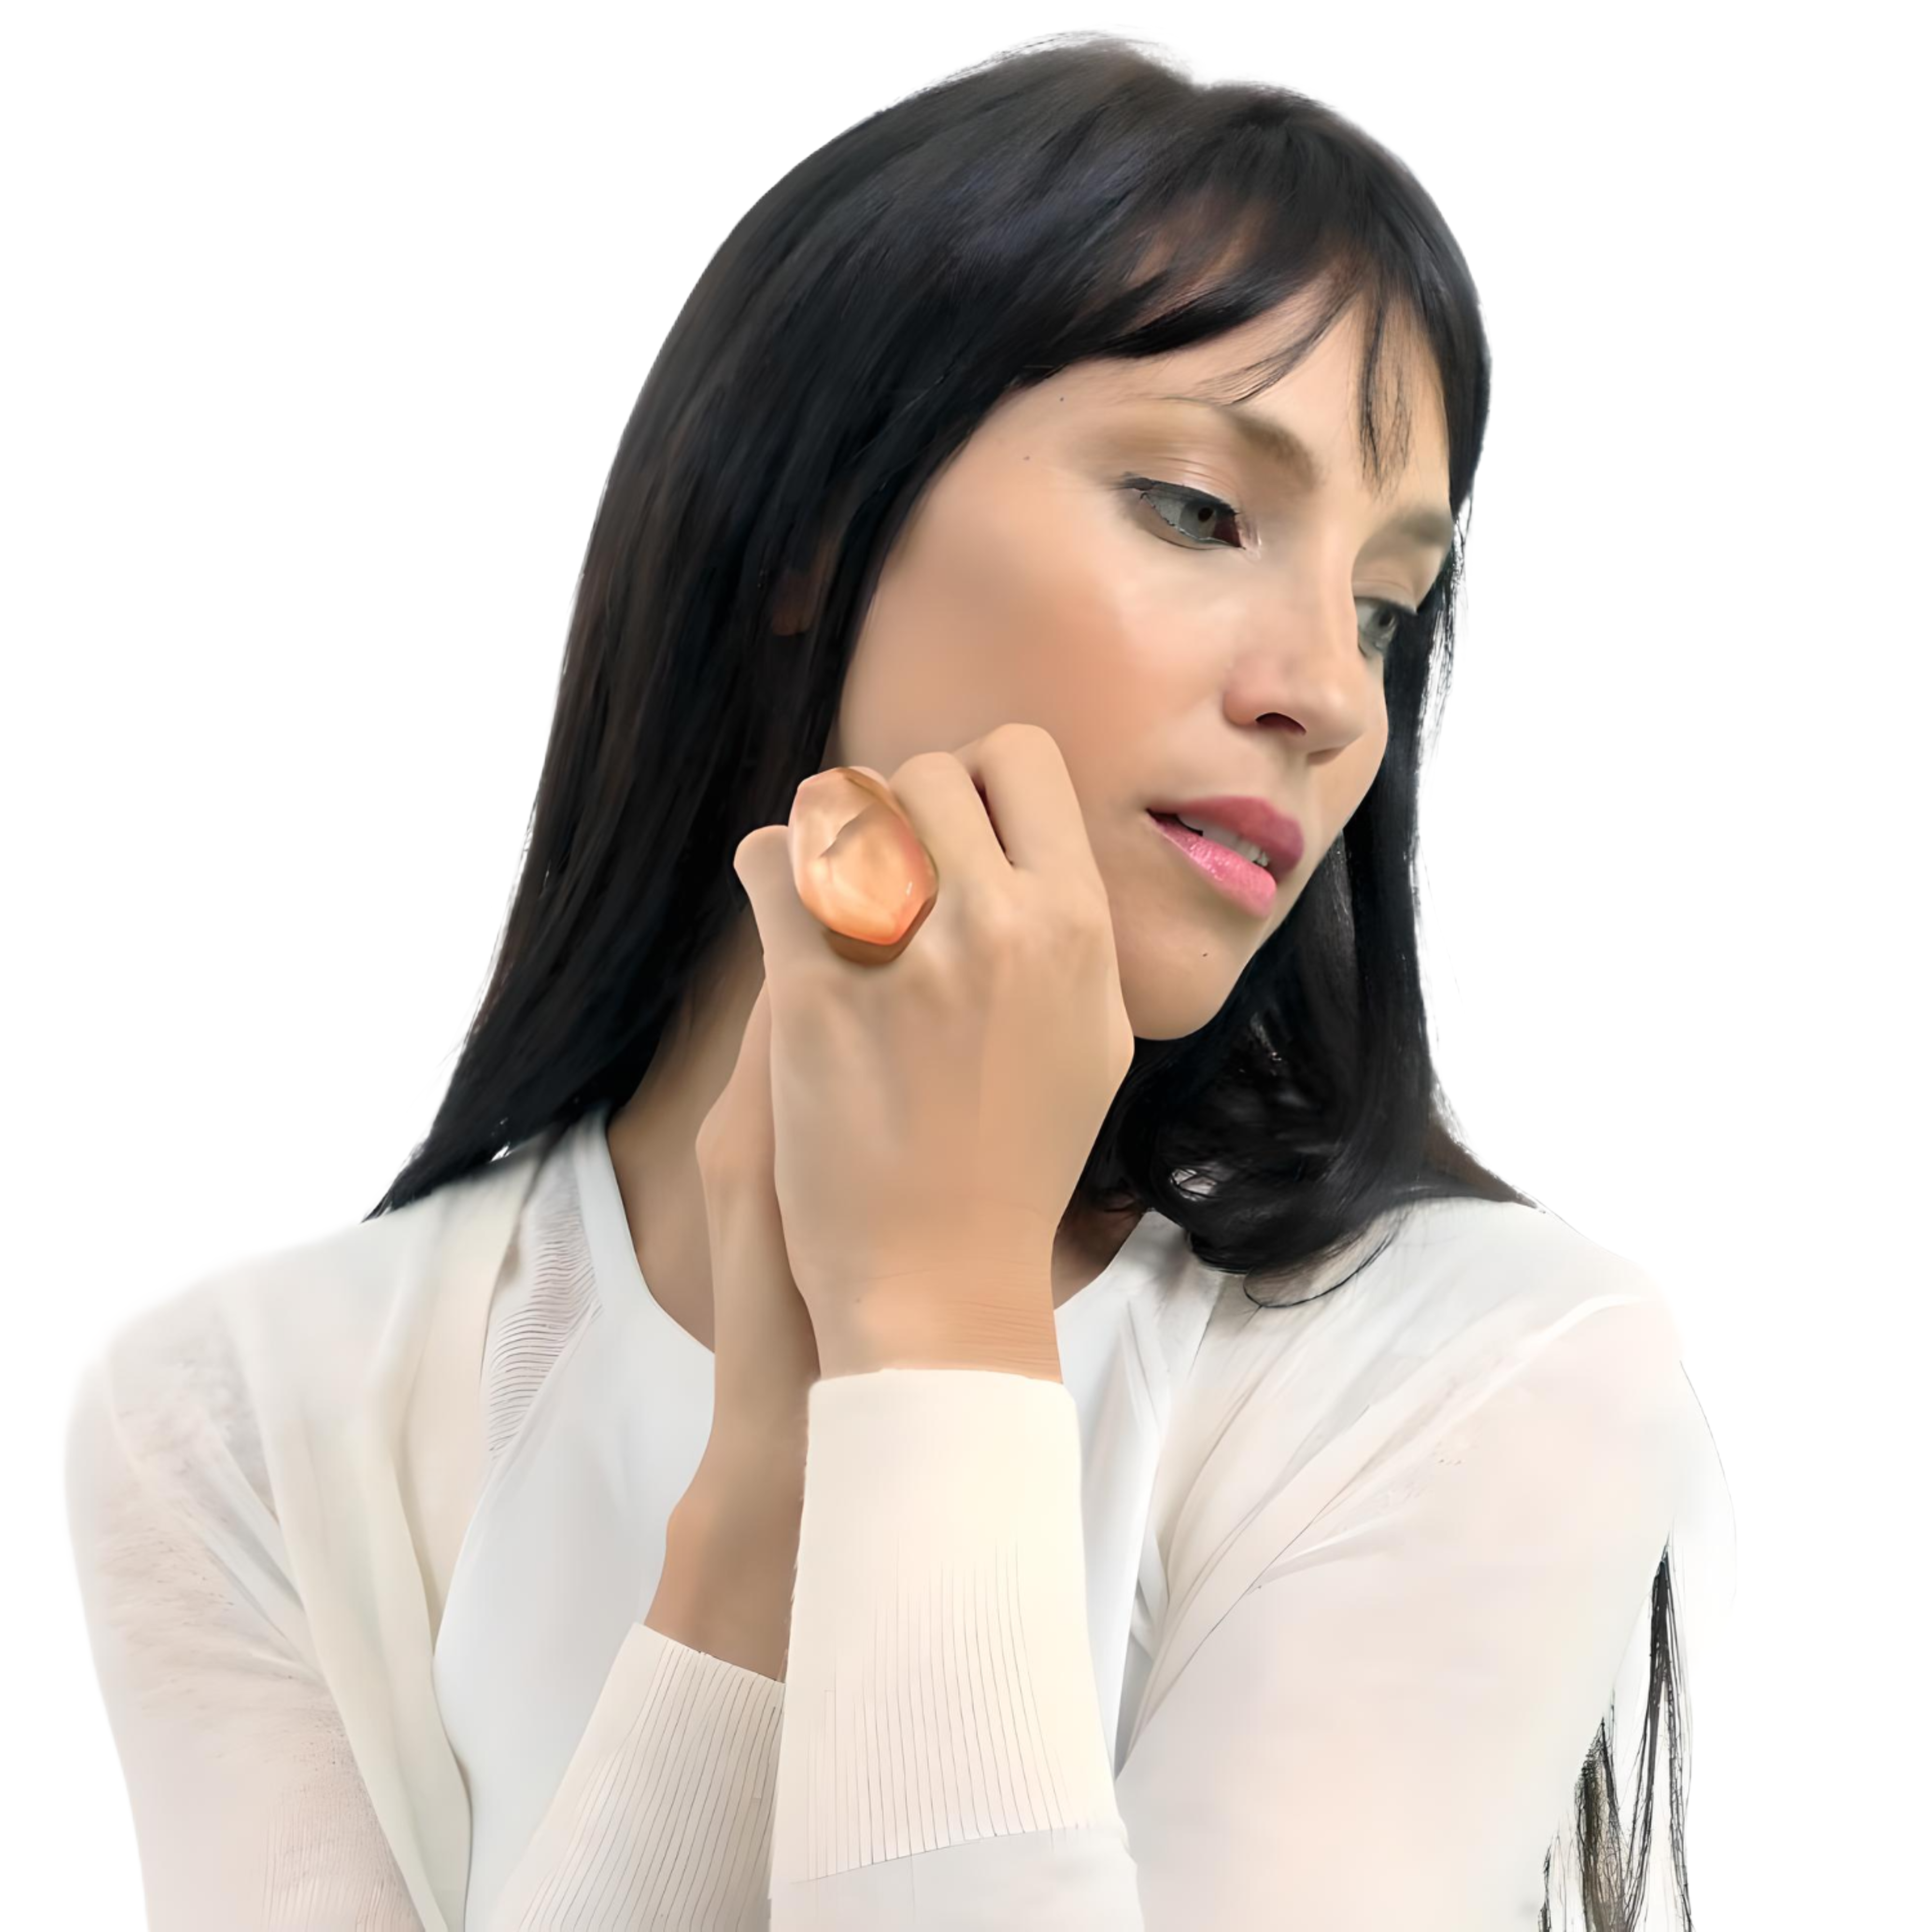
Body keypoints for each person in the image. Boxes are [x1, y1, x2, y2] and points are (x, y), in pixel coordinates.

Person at [64, 34, 1735, 1932]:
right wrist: (770, 1492)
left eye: (1384, 606)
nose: (1333, 697)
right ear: (804, 527)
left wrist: (935, 1321)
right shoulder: (245, 1419)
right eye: (1200, 508)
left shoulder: (1486, 1368)